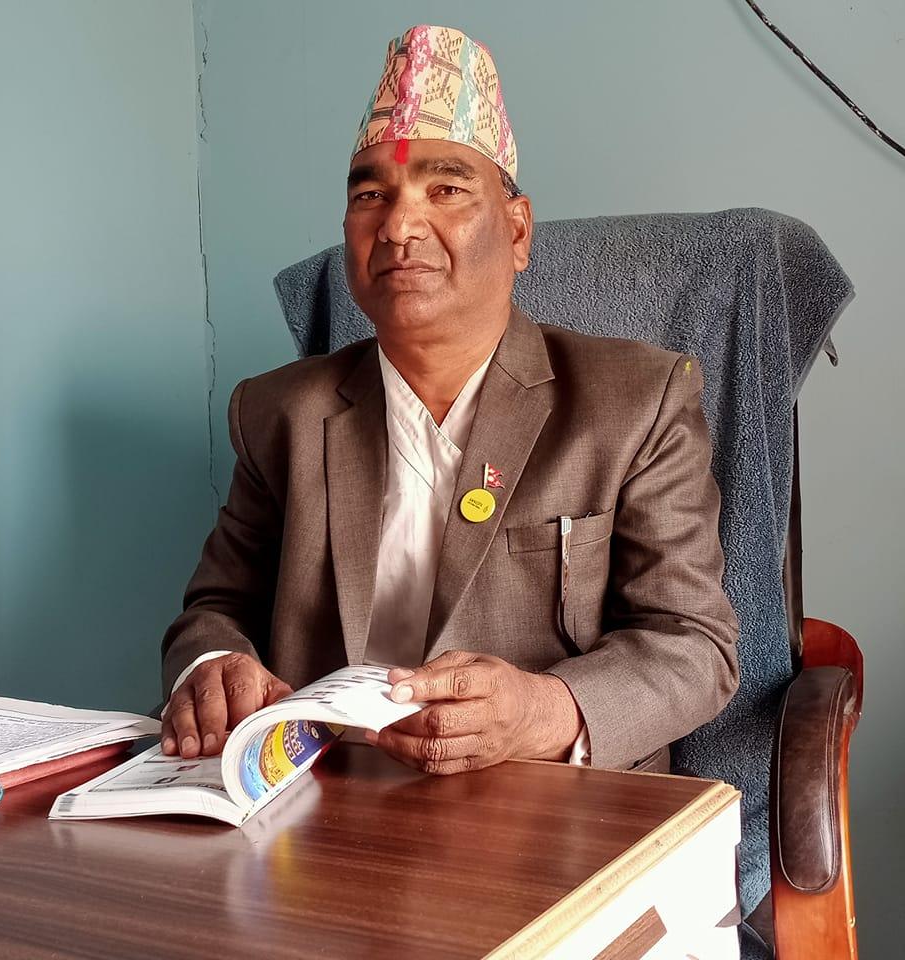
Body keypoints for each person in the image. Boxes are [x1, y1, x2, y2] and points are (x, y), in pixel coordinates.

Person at [160, 24, 739, 776]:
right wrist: (211, 666)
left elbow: (694, 645)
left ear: (518, 232)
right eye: (371, 195)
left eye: (447, 190)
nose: (399, 226)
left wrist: (544, 709)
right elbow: (216, 610)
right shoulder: (278, 414)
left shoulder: (636, 402)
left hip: (550, 805)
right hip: (324, 800)